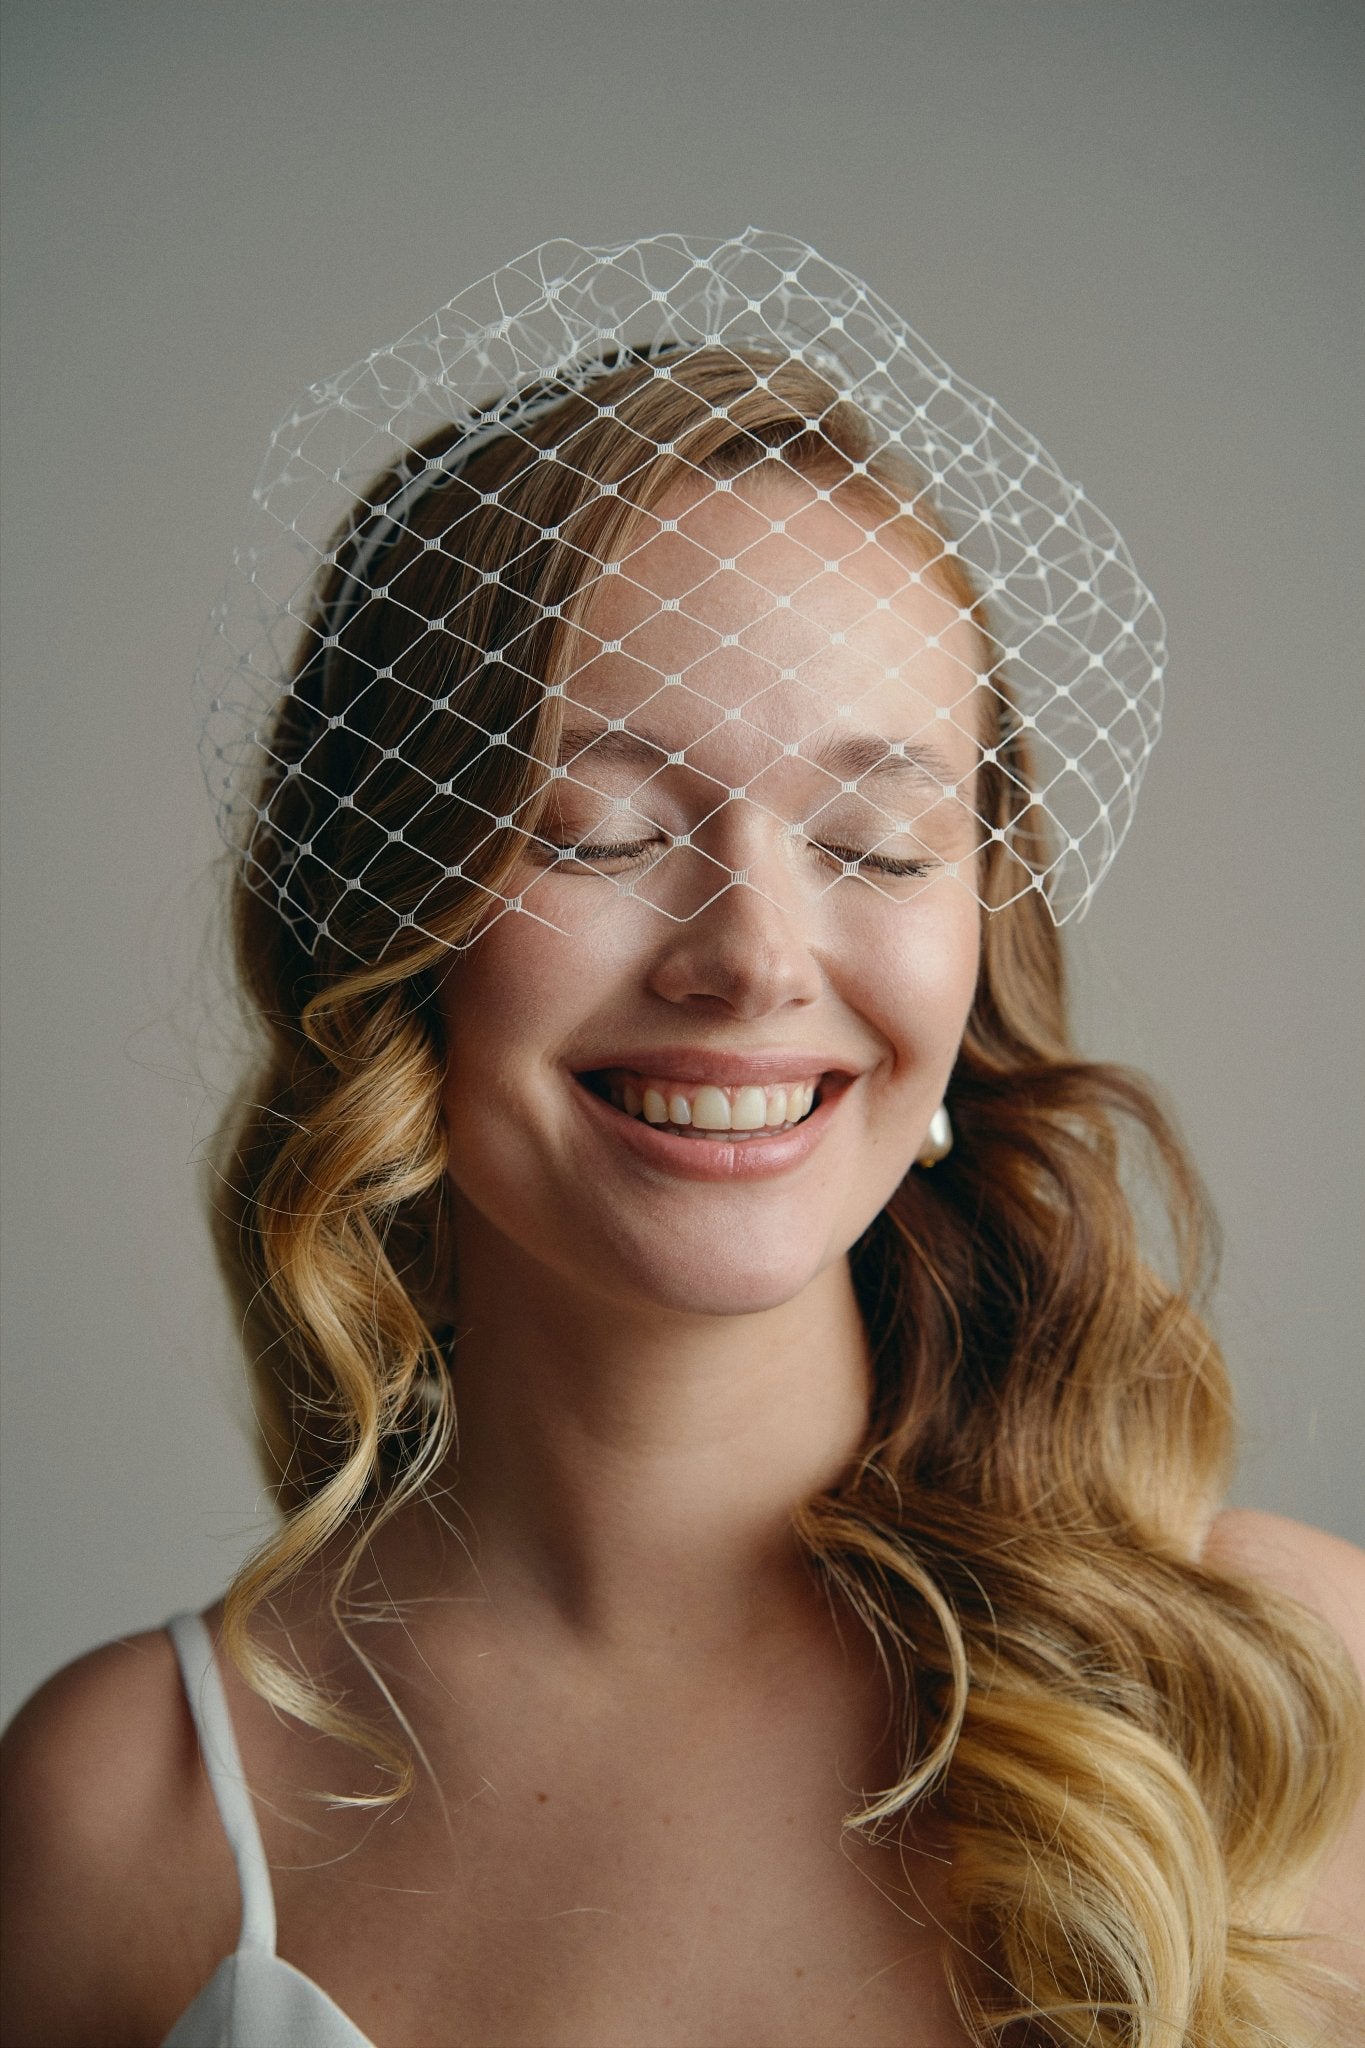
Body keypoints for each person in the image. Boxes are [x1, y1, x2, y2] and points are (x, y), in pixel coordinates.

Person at [2, 234, 1362, 2048]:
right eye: (593, 830)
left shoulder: (1287, 1700)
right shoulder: (122, 1812)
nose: (751, 959)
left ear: (979, 934)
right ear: (385, 926)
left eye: (874, 846)